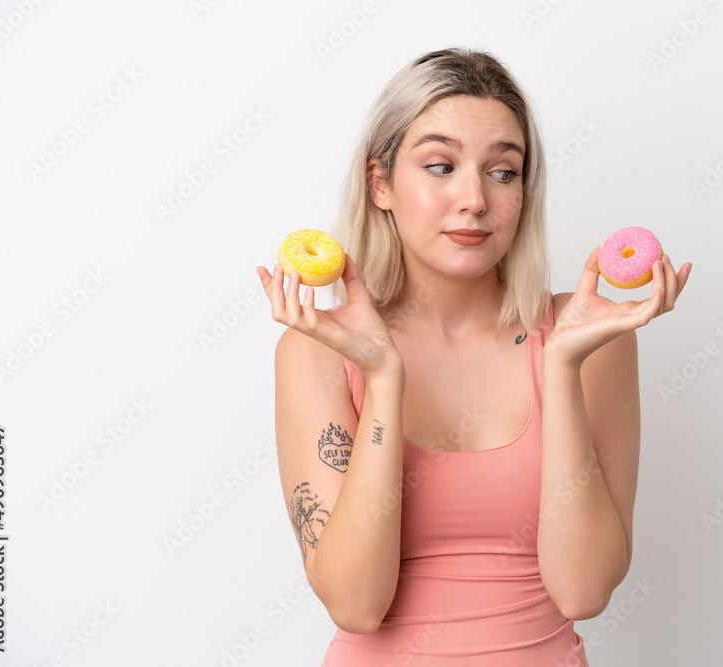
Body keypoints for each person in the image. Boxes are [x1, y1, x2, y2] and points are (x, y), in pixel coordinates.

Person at [255, 46, 691, 666]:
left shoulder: (591, 336)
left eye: (503, 171)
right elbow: (355, 603)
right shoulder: (318, 352)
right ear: (380, 183)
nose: (475, 200)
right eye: (440, 166)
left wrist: (561, 366)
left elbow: (583, 589)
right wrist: (381, 376)